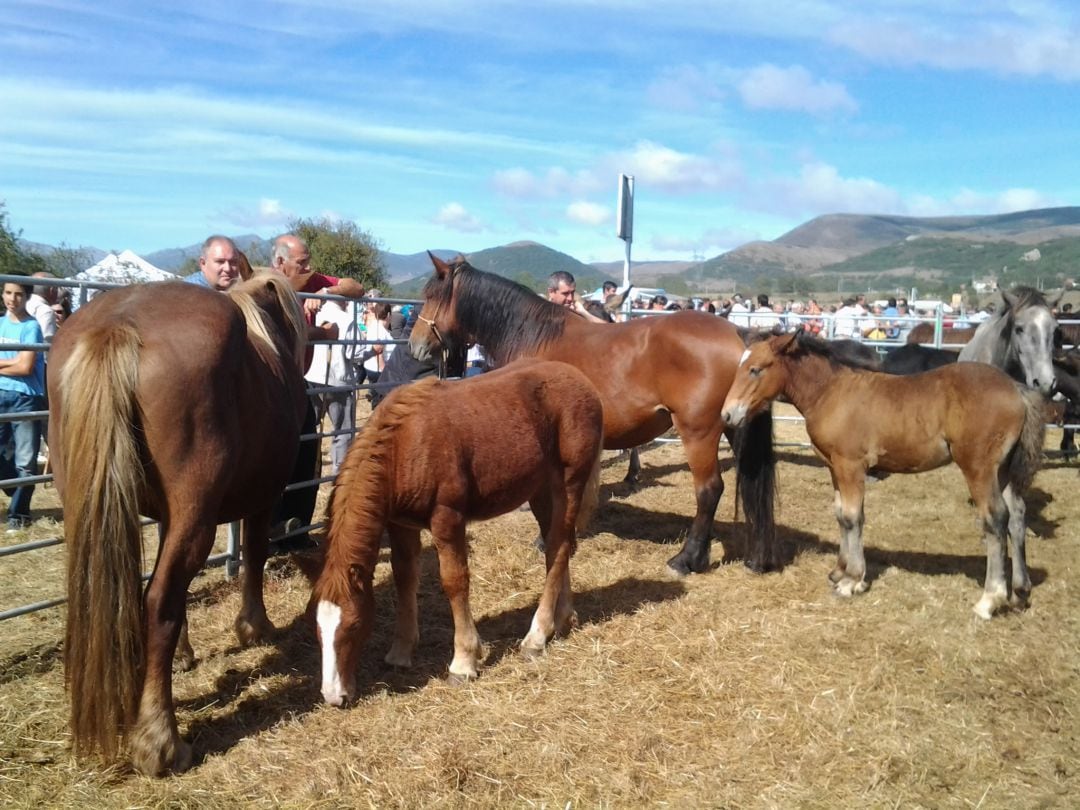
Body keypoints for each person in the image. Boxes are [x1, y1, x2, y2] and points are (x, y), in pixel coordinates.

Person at [268, 233, 365, 550]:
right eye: (302, 262)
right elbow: (281, 330)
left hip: (298, 381)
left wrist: (327, 290)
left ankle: (296, 532)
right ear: (280, 262)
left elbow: (357, 288)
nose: (309, 267)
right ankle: (268, 533)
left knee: (307, 452)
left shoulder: (313, 281)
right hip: (268, 382)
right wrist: (322, 332)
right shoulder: (266, 285)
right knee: (274, 457)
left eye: (309, 260)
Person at [0, 281, 46, 531]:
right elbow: (17, 363)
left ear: (27, 297)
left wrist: (9, 363)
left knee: (26, 460)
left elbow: (25, 366)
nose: (12, 299)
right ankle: (14, 489)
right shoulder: (0, 323)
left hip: (26, 398)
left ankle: (19, 515)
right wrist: (11, 361)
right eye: (8, 293)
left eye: (18, 294)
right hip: (1, 394)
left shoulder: (31, 327)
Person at [304, 300, 357, 477]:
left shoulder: (314, 314)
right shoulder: (346, 318)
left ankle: (307, 468)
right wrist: (372, 351)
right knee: (342, 430)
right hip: (338, 381)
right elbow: (354, 353)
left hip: (312, 377)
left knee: (310, 426)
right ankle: (340, 474)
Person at [27, 272, 59, 343]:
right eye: (56, 289)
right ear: (52, 290)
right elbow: (46, 344)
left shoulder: (22, 304)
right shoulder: (46, 311)